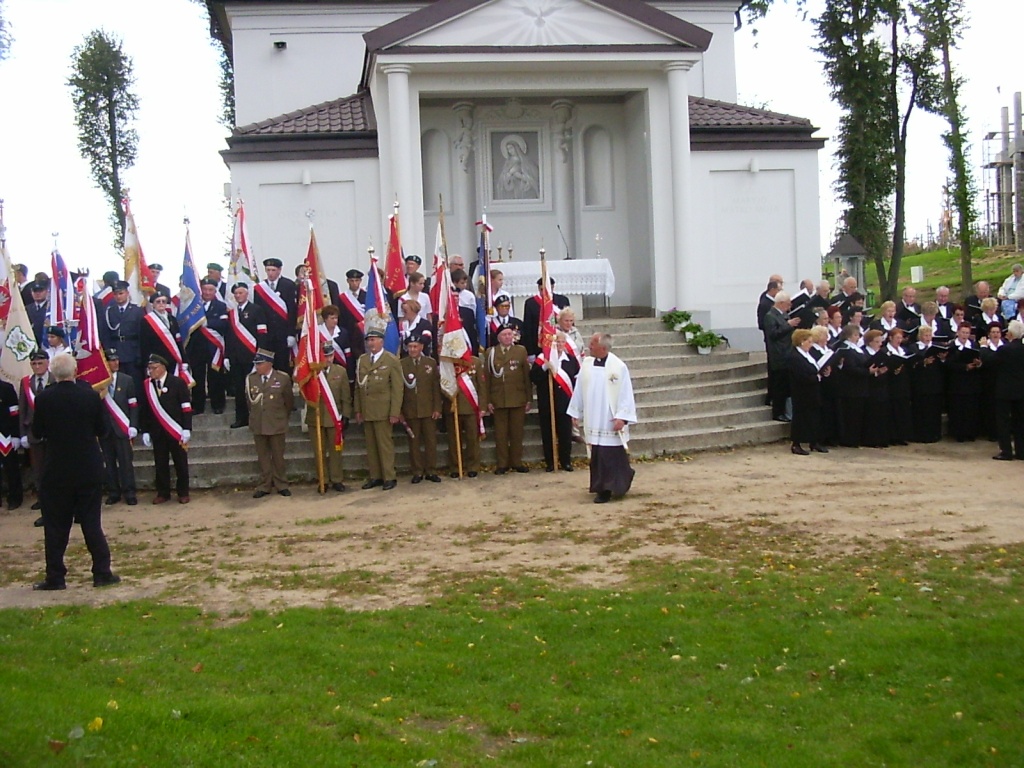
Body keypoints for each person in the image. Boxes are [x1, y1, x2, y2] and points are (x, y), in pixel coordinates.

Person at [30, 354, 120, 591]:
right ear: (75, 371)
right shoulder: (90, 395)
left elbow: (37, 431)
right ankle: (102, 572)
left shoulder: (44, 398)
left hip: (57, 468)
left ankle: (55, 577)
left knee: (56, 526)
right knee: (91, 523)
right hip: (87, 467)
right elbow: (103, 429)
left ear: (53, 372)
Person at [567, 333, 637, 503]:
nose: (589, 347)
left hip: (609, 418)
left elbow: (625, 394)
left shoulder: (618, 367)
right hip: (593, 417)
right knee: (597, 454)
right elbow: (579, 389)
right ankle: (602, 487)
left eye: (592, 344)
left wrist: (622, 417)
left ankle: (613, 486)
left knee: (611, 454)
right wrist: (576, 412)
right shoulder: (587, 364)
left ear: (603, 348)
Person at [354, 322, 404, 491]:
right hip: (368, 410)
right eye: (369, 340)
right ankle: (375, 476)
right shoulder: (362, 360)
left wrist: (394, 412)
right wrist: (358, 409)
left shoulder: (390, 360)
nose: (371, 343)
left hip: (383, 410)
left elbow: (398, 388)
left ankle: (389, 476)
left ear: (382, 341)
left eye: (374, 340)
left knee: (384, 445)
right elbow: (358, 387)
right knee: (371, 445)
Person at [139, 354, 193, 504]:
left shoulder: (177, 383)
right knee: (160, 463)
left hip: (175, 431)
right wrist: (145, 430)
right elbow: (144, 410)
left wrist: (187, 428)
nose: (151, 371)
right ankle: (163, 492)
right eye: (149, 368)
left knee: (180, 462)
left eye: (154, 368)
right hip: (157, 431)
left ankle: (183, 492)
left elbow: (186, 407)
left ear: (163, 367)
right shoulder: (147, 386)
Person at [247, 349, 295, 498]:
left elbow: (288, 401)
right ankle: (265, 484)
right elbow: (249, 402)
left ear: (269, 364)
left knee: (278, 456)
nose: (257, 367)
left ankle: (281, 483)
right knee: (263, 456)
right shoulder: (251, 379)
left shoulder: (282, 378)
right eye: (256, 364)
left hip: (276, 422)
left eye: (260, 364)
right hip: (259, 423)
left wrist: (282, 417)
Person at [305, 340, 352, 492]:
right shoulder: (311, 373)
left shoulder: (340, 372)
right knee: (319, 451)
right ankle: (322, 480)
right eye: (325, 356)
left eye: (330, 355)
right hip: (316, 418)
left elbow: (345, 396)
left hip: (334, 418)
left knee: (335, 451)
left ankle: (337, 479)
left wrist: (345, 416)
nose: (328, 358)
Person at [486, 326, 532, 474]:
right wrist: (488, 400)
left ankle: (517, 462)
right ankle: (502, 463)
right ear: (498, 337)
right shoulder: (491, 353)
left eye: (510, 334)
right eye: (504, 335)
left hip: (517, 397)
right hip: (498, 397)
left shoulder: (520, 351)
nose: (507, 337)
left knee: (517, 432)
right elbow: (487, 379)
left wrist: (529, 398)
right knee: (500, 433)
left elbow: (526, 377)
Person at [532, 332, 580, 471]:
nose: (559, 345)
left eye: (562, 342)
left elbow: (576, 381)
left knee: (565, 433)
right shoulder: (542, 360)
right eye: (556, 342)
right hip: (547, 402)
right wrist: (544, 368)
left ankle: (566, 461)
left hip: (565, 403)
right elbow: (533, 377)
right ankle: (551, 462)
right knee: (548, 433)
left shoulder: (570, 360)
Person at [226, 282, 270, 428]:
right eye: (236, 293)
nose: (238, 296)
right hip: (236, 358)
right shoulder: (232, 313)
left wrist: (261, 356)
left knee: (256, 388)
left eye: (241, 293)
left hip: (252, 357)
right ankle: (241, 418)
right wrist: (227, 356)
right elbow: (229, 336)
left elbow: (262, 333)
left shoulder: (256, 309)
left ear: (247, 294)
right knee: (239, 389)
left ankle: (258, 418)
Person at [400, 334, 442, 483]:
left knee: (431, 441)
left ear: (421, 347)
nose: (412, 349)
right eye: (410, 346)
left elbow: (435, 388)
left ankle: (431, 470)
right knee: (414, 442)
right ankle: (417, 471)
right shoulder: (402, 364)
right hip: (410, 410)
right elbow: (399, 390)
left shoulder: (430, 362)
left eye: (415, 346)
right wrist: (400, 411)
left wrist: (437, 408)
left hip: (428, 409)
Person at [100, 349, 139, 506]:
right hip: (105, 429)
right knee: (109, 463)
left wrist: (134, 425)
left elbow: (134, 405)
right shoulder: (100, 382)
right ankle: (114, 492)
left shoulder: (126, 380)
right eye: (111, 360)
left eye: (117, 360)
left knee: (125, 462)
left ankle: (129, 492)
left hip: (122, 428)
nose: (115, 363)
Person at [186, 278, 229, 415]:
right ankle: (198, 406)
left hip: (213, 347)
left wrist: (206, 323)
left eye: (210, 290)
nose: (207, 292)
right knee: (198, 377)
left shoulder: (221, 306)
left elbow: (223, 324)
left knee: (215, 377)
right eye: (205, 289)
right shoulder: (194, 306)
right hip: (196, 347)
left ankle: (218, 404)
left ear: (215, 291)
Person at [20, 350, 53, 523]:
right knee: (39, 470)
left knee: (56, 470)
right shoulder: (26, 382)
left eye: (40, 363)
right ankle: (43, 501)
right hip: (34, 433)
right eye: (34, 363)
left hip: (54, 434)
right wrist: (22, 434)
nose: (37, 366)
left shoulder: (55, 379)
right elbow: (23, 409)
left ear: (47, 363)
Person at [786, 329, 829, 455]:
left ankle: (814, 441)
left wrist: (822, 373)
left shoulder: (808, 354)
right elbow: (800, 376)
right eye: (809, 342)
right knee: (800, 417)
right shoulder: (794, 357)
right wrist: (817, 377)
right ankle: (796, 444)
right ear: (801, 342)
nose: (811, 344)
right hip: (801, 391)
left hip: (813, 390)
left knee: (814, 417)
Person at [99, 280, 146, 391]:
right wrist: (108, 352)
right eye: (116, 294)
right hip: (116, 352)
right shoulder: (108, 311)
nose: (118, 296)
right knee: (117, 385)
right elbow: (105, 334)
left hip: (132, 353)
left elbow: (142, 334)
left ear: (127, 293)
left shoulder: (137, 311)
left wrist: (140, 354)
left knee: (134, 384)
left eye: (121, 293)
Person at [253, 257, 298, 372]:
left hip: (283, 333)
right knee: (267, 364)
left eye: (273, 270)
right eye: (268, 270)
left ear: (279, 270)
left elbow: (292, 310)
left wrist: (291, 333)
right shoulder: (260, 288)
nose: (270, 273)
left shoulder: (288, 285)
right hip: (267, 334)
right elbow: (258, 311)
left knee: (283, 365)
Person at [988, 320, 1024, 460]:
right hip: (1021, 391)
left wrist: (984, 347)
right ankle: (1021, 451)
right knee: (1020, 422)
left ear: (1010, 333)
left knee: (1003, 422)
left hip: (1005, 391)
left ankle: (1006, 451)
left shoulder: (1004, 350)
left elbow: (990, 361)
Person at [446, 355, 486, 478]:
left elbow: (481, 385)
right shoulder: (447, 362)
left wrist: (483, 406)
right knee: (453, 440)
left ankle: (472, 466)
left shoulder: (475, 362)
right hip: (453, 407)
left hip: (471, 407)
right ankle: (455, 466)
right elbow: (442, 384)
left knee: (472, 439)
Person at [764, 292, 800, 421]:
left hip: (787, 352)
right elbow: (773, 334)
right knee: (779, 387)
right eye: (788, 303)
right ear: (781, 303)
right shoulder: (770, 316)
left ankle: (786, 411)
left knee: (785, 387)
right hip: (779, 355)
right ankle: (778, 412)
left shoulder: (783, 314)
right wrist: (788, 325)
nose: (789, 306)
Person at [945, 322, 983, 442]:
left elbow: (980, 361)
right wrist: (965, 367)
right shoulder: (951, 347)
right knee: (958, 409)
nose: (965, 335)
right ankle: (959, 434)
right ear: (958, 332)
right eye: (963, 332)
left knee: (970, 409)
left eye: (967, 333)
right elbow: (948, 364)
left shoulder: (974, 345)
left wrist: (978, 364)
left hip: (971, 383)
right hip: (957, 383)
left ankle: (970, 433)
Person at [909, 325, 947, 443]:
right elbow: (911, 364)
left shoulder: (936, 348)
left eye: (930, 335)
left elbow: (943, 368)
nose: (928, 338)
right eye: (925, 335)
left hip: (934, 384)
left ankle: (934, 434)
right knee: (921, 410)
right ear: (920, 336)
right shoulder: (914, 347)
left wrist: (942, 359)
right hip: (920, 384)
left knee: (934, 411)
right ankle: (920, 435)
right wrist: (923, 362)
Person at [521, 277, 570, 357]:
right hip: (539, 346)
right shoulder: (531, 303)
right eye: (542, 289)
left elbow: (569, 322)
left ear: (553, 287)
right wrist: (530, 352)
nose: (544, 292)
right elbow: (528, 328)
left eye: (547, 289)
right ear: (538, 288)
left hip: (561, 345)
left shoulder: (563, 300)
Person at [140, 294, 186, 378]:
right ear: (152, 304)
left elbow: (178, 341)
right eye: (158, 302)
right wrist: (147, 363)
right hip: (157, 360)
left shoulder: (172, 319)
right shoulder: (146, 321)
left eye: (163, 301)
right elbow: (144, 345)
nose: (161, 304)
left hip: (173, 359)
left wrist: (184, 360)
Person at [0, 375, 23, 511]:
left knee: (11, 469)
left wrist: (15, 435)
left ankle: (15, 497)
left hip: (6, 436)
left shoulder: (6, 389)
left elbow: (15, 414)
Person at [339, 269, 367, 359]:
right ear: (347, 281)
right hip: (350, 334)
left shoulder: (367, 296)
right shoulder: (342, 298)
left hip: (364, 334)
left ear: (360, 281)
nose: (354, 283)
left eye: (357, 280)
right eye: (352, 281)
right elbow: (341, 318)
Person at [25, 279, 50, 348]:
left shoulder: (50, 308)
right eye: (35, 291)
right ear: (31, 292)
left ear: (47, 291)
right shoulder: (26, 309)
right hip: (30, 344)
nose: (37, 293)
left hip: (46, 344)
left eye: (41, 291)